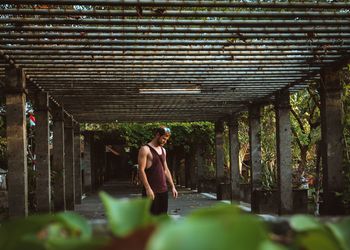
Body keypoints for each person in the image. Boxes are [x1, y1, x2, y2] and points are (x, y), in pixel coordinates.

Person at [138, 126, 178, 215]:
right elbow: (141, 170)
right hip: (151, 190)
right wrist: (148, 188)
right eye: (163, 138)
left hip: (163, 190)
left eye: (166, 139)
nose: (165, 141)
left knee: (162, 219)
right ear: (157, 135)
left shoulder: (163, 150)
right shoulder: (145, 149)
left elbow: (166, 170)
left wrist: (172, 186)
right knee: (150, 220)